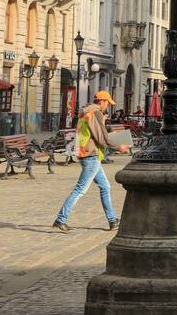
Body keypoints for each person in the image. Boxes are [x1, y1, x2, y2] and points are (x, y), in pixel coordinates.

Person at [54, 90, 129, 232]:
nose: (108, 106)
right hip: (91, 155)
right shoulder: (95, 113)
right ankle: (61, 219)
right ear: (102, 102)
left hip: (86, 153)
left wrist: (106, 128)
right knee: (80, 189)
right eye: (107, 103)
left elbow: (94, 134)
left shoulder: (86, 111)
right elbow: (101, 138)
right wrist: (119, 146)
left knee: (105, 187)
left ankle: (112, 220)